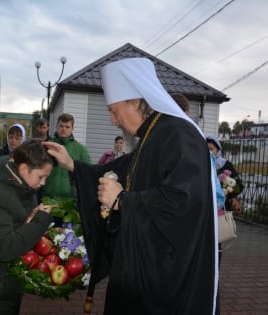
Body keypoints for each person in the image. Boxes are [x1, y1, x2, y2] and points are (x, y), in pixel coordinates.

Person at [44, 57, 218, 314]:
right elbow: (117, 172)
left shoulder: (179, 134)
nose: (113, 121)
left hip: (165, 278)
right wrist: (72, 164)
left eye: (114, 111)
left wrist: (124, 201)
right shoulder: (151, 135)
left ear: (135, 101)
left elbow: (184, 201)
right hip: (139, 267)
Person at [0, 139, 55, 314]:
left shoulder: (23, 187)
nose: (43, 183)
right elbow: (5, 247)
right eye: (41, 176)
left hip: (7, 285)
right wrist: (40, 221)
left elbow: (20, 226)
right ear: (23, 169)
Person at [39, 113, 91, 200]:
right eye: (61, 126)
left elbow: (88, 172)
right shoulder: (47, 146)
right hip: (46, 198)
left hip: (70, 202)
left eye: (67, 127)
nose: (63, 129)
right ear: (56, 127)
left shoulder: (81, 149)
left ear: (72, 129)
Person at [207, 135, 243, 216]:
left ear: (218, 151)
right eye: (206, 149)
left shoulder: (225, 164)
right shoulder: (202, 165)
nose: (208, 152)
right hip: (206, 208)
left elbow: (239, 186)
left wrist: (227, 192)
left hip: (223, 209)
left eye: (211, 149)